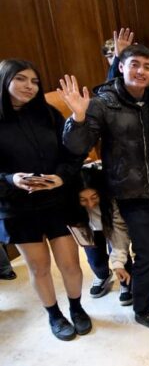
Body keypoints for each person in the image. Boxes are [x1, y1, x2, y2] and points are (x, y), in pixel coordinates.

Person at [60, 45, 149, 331]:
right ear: (121, 67)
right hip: (128, 192)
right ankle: (143, 308)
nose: (141, 71)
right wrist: (78, 118)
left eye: (147, 66)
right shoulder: (103, 103)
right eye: (135, 65)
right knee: (146, 252)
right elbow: (76, 148)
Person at [0, 59, 90, 340]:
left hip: (57, 201)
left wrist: (62, 177)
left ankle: (76, 308)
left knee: (70, 264)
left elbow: (74, 153)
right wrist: (10, 179)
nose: (30, 86)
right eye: (21, 80)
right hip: (18, 206)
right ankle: (54, 314)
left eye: (34, 81)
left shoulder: (48, 114)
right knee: (38, 267)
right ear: (4, 81)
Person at [77, 164, 133, 306]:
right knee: (94, 259)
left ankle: (125, 280)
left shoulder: (111, 196)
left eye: (94, 197)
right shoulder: (71, 206)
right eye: (83, 200)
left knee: (121, 256)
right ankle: (102, 275)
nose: (90, 204)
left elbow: (119, 232)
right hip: (87, 228)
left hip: (110, 224)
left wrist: (118, 263)